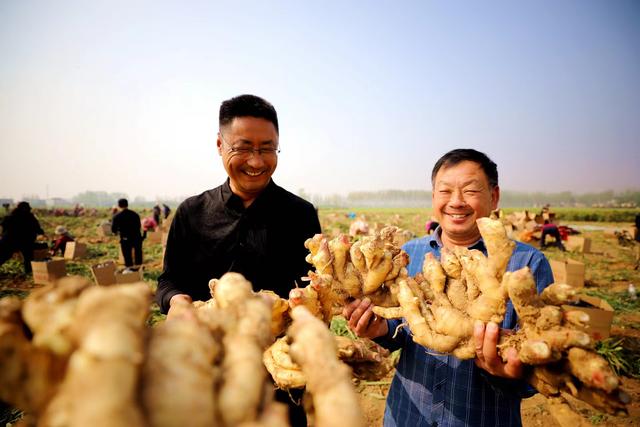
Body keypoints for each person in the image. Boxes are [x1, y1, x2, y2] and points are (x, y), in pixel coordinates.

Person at [343, 149, 554, 427]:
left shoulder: (526, 264)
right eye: (445, 191)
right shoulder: (407, 255)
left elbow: (542, 363)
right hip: (406, 416)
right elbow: (400, 332)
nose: (456, 202)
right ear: (433, 198)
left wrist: (512, 372)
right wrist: (379, 330)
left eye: (470, 191)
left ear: (494, 196)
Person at [157, 94, 321, 426]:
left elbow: (313, 288)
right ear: (220, 144)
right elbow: (169, 279)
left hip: (277, 373)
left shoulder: (300, 215)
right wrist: (176, 302)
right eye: (243, 147)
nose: (257, 161)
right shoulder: (192, 212)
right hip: (206, 366)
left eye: (267, 148)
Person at [0, 202, 45, 274]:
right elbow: (37, 228)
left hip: (9, 241)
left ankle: (28, 272)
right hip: (25, 242)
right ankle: (28, 272)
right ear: (25, 209)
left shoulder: (10, 216)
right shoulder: (30, 217)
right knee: (28, 258)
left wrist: (3, 236)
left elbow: (3, 226)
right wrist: (41, 232)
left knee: (3, 256)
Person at [111, 198, 143, 267]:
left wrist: (117, 232)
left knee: (127, 256)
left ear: (119, 206)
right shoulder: (135, 214)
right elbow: (139, 226)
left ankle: (130, 271)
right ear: (127, 205)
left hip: (125, 239)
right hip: (137, 237)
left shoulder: (116, 216)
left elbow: (113, 230)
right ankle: (139, 269)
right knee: (138, 254)